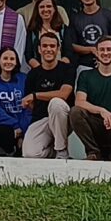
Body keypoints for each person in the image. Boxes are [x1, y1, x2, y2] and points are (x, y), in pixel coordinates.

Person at [69, 36, 111, 162]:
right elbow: (79, 101)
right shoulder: (86, 75)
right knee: (75, 112)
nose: (105, 53)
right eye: (102, 50)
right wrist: (102, 111)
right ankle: (93, 153)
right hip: (95, 123)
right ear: (96, 52)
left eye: (109, 49)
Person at [22, 30, 77, 159]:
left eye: (52, 46)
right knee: (30, 154)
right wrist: (34, 98)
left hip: (63, 118)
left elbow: (64, 94)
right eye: (45, 46)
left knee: (56, 103)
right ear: (39, 49)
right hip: (41, 119)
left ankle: (62, 151)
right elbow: (29, 104)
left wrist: (36, 95)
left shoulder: (67, 69)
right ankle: (52, 151)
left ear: (58, 49)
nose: (48, 49)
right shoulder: (32, 74)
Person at [0, 46, 31, 156]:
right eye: (5, 58)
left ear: (16, 62)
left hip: (25, 124)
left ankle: (21, 146)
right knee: (1, 133)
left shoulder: (24, 79)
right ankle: (11, 152)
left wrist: (22, 127)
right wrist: (15, 126)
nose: (8, 62)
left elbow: (29, 107)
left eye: (12, 59)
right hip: (7, 126)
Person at [66, 0, 111, 68]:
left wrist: (108, 62)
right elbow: (72, 45)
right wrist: (90, 49)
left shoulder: (109, 16)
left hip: (107, 67)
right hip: (83, 67)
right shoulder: (74, 18)